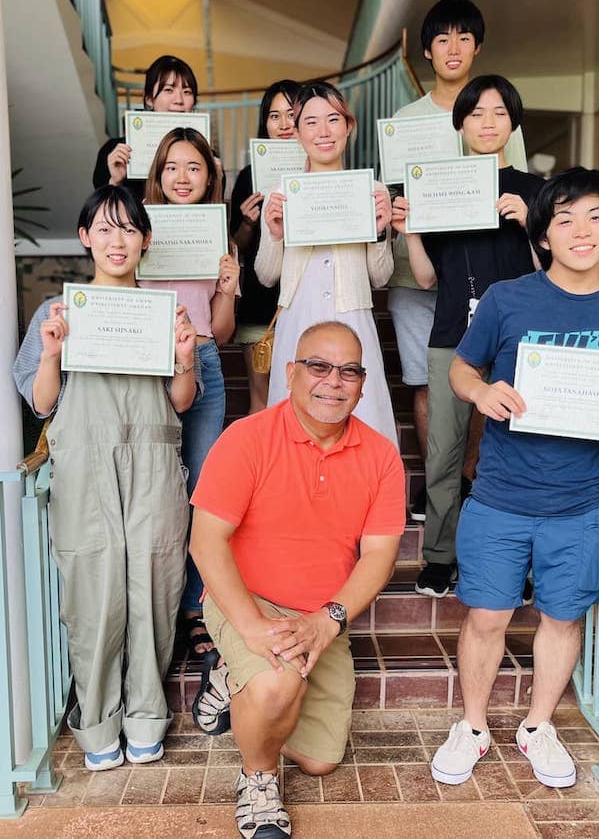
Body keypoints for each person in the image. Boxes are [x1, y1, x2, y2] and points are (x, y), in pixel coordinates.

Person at [431, 167, 599, 790]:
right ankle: (474, 726)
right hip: (501, 497)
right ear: (542, 235)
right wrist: (481, 392)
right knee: (486, 617)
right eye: (563, 218)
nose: (580, 230)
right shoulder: (509, 300)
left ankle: (538, 725)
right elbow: (460, 369)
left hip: (584, 502)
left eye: (594, 216)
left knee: (563, 619)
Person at [190, 321, 405, 839]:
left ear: (363, 383)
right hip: (249, 598)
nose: (334, 381)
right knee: (276, 684)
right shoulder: (247, 439)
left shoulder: (380, 456)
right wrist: (254, 628)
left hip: (321, 614)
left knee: (319, 761)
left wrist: (328, 622)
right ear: (290, 373)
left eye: (349, 371)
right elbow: (205, 542)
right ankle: (258, 780)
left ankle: (230, 678)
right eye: (319, 366)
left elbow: (378, 555)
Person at [12, 185, 200, 770]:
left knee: (154, 581)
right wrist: (50, 352)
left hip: (153, 460)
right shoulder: (59, 314)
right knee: (93, 591)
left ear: (145, 241)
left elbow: (182, 401)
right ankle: (97, 724)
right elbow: (43, 405)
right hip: (84, 463)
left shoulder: (164, 312)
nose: (117, 240)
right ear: (86, 236)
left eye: (129, 229)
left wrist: (186, 354)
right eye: (105, 228)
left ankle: (146, 715)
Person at [392, 75, 543, 598]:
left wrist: (531, 225)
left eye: (499, 113)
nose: (487, 123)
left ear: (512, 122)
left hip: (519, 340)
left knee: (514, 450)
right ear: (459, 124)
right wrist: (410, 230)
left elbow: (551, 273)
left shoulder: (534, 190)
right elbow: (429, 278)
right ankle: (438, 557)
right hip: (452, 331)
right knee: (444, 451)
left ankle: (517, 560)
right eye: (476, 113)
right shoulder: (439, 183)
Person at [387, 0, 527, 521]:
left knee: (484, 380)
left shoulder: (499, 113)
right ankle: (440, 482)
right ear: (426, 50)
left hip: (487, 275)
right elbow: (399, 190)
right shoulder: (406, 120)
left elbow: (519, 192)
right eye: (442, 38)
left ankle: (473, 479)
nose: (453, 47)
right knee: (428, 379)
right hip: (418, 271)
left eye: (463, 38)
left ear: (477, 47)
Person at [255, 81, 398, 447]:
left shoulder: (373, 190)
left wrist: (380, 234)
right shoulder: (281, 193)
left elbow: (381, 277)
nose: (323, 132)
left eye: (333, 119)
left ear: (349, 126)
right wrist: (274, 233)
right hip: (297, 317)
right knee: (293, 429)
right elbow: (266, 275)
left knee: (362, 424)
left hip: (352, 317)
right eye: (311, 122)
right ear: (298, 132)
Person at [142, 126, 239, 661]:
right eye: (173, 167)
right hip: (147, 369)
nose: (183, 177)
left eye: (195, 168)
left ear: (209, 176)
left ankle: (196, 608)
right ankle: (155, 607)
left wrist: (225, 288)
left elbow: (222, 332)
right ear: (158, 175)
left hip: (202, 360)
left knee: (203, 490)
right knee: (157, 492)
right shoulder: (138, 231)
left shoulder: (218, 240)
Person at [230, 79, 301, 413]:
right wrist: (246, 222)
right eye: (275, 116)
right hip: (261, 303)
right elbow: (237, 246)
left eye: (292, 113)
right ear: (265, 123)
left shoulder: (323, 172)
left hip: (306, 299)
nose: (285, 124)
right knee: (261, 401)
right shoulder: (248, 176)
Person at [93, 55, 200, 200]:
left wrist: (215, 177)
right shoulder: (115, 153)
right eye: (168, 90)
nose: (179, 100)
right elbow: (100, 214)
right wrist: (115, 182)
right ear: (149, 99)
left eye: (187, 92)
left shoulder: (205, 155)